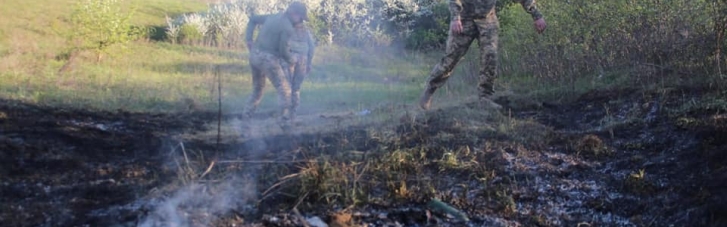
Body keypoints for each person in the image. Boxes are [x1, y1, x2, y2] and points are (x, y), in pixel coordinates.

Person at [419, 0, 547, 110]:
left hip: (488, 20)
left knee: (490, 56)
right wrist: (455, 17)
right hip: (464, 19)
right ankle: (430, 88)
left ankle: (485, 97)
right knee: (450, 60)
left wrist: (536, 15)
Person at [243, 1, 309, 127]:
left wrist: (249, 39)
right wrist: (293, 59)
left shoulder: (273, 16)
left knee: (257, 91)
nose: (301, 21)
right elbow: (283, 52)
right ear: (294, 13)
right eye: (300, 17)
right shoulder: (287, 28)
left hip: (254, 56)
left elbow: (252, 19)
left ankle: (245, 123)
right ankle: (283, 123)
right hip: (268, 59)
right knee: (286, 91)